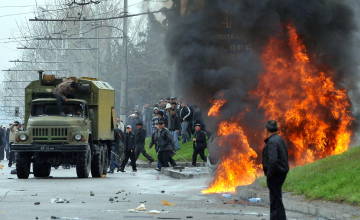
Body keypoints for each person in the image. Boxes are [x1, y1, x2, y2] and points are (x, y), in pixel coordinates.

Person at [262, 120, 289, 220]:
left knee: (275, 200)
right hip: (281, 172)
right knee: (277, 198)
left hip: (275, 174)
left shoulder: (272, 142)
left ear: (267, 130)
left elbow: (273, 160)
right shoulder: (279, 139)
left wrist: (269, 174)